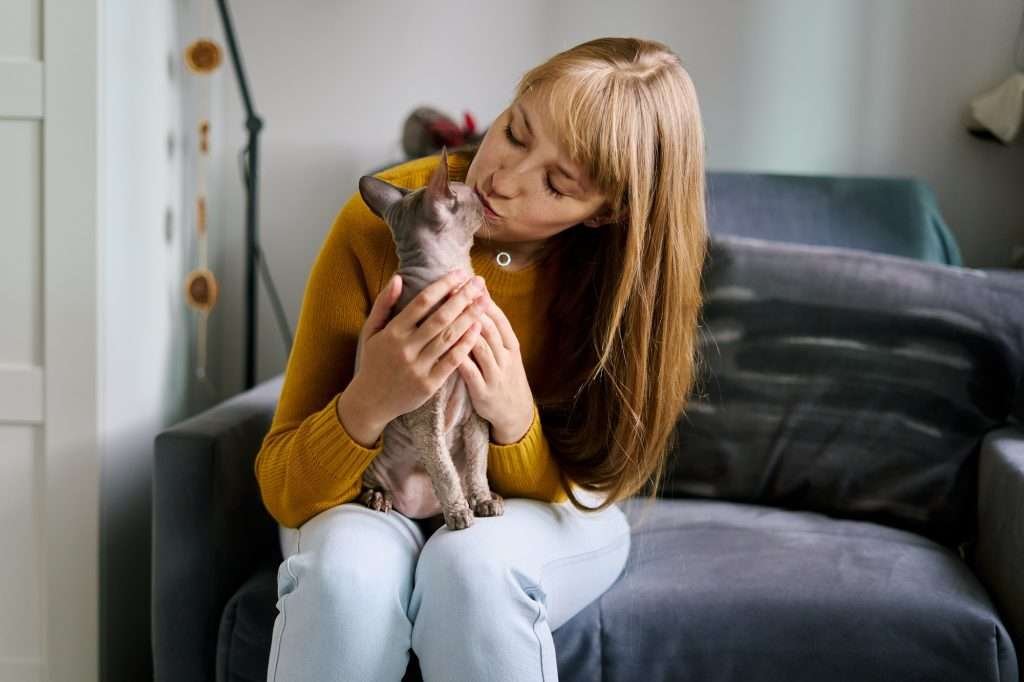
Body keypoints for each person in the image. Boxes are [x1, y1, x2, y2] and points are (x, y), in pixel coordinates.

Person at [255, 36, 709, 681]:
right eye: (516, 132)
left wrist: (513, 418)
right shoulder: (389, 216)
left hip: (544, 510)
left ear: (607, 213)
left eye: (556, 184)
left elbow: (597, 486)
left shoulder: (627, 278)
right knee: (346, 578)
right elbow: (284, 486)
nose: (501, 180)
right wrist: (367, 402)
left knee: (473, 569)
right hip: (380, 494)